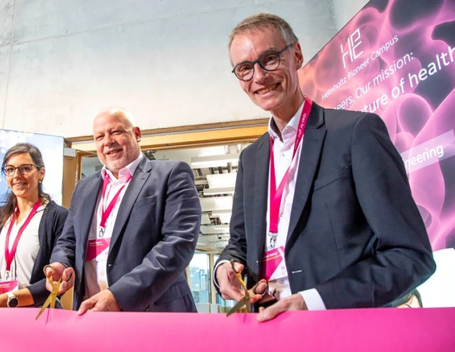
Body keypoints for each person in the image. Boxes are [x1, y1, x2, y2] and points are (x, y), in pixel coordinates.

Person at [214, 13, 435, 321]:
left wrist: (314, 300)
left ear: (297, 54)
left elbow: (410, 257)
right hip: (268, 326)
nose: (259, 77)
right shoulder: (250, 158)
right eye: (245, 69)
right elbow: (238, 243)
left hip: (341, 327)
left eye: (270, 59)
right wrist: (223, 268)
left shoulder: (356, 133)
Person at [46, 108, 201, 313]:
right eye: (99, 137)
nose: (108, 141)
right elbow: (68, 241)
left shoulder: (170, 174)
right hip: (91, 312)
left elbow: (178, 243)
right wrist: (60, 264)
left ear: (137, 134)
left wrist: (119, 295)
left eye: (116, 132)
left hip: (153, 313)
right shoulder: (83, 188)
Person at [0, 143, 68, 310]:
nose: (17, 175)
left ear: (41, 173)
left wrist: (11, 298)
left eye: (25, 168)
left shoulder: (57, 216)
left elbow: (57, 280)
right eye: (10, 169)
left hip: (37, 313)